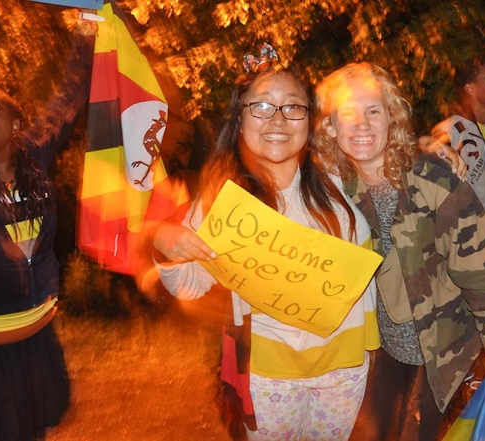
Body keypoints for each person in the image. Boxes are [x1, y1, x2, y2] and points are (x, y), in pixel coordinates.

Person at [152, 45, 380, 440]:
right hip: (270, 372)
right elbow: (190, 283)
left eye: (293, 106)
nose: (278, 118)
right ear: (239, 121)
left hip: (344, 366)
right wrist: (165, 249)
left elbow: (393, 162)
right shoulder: (221, 203)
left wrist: (437, 148)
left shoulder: (342, 180)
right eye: (261, 106)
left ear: (309, 122)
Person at [313, 62, 485, 441]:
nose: (361, 124)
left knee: (421, 432)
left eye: (374, 111)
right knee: (378, 429)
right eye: (347, 113)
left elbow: (480, 264)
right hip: (380, 343)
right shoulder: (331, 187)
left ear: (392, 118)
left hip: (439, 341)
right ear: (330, 125)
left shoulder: (431, 179)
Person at [0, 20, 94, 441]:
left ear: (16, 123)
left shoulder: (33, 153)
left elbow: (69, 97)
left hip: (35, 334)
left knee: (29, 430)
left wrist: (87, 30)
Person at [430, 56, 485, 243]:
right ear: (470, 88)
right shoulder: (452, 131)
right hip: (468, 244)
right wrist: (434, 148)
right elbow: (427, 152)